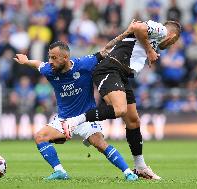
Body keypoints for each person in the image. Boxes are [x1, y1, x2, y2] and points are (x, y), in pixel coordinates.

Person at [13, 21, 139, 181]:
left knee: (100, 144)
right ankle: (60, 172)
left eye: (54, 57)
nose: (50, 61)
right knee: (40, 136)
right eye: (49, 57)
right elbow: (38, 64)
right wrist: (26, 61)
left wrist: (126, 32)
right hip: (64, 118)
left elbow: (106, 50)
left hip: (87, 116)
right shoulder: (49, 70)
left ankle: (128, 173)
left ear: (65, 58)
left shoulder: (84, 65)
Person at [63, 19, 182, 180]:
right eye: (174, 42)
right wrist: (149, 50)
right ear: (173, 36)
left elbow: (135, 30)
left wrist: (146, 47)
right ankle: (75, 121)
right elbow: (139, 27)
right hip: (110, 68)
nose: (171, 45)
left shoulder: (153, 37)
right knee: (120, 109)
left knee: (133, 121)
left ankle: (140, 167)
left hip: (122, 74)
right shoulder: (160, 30)